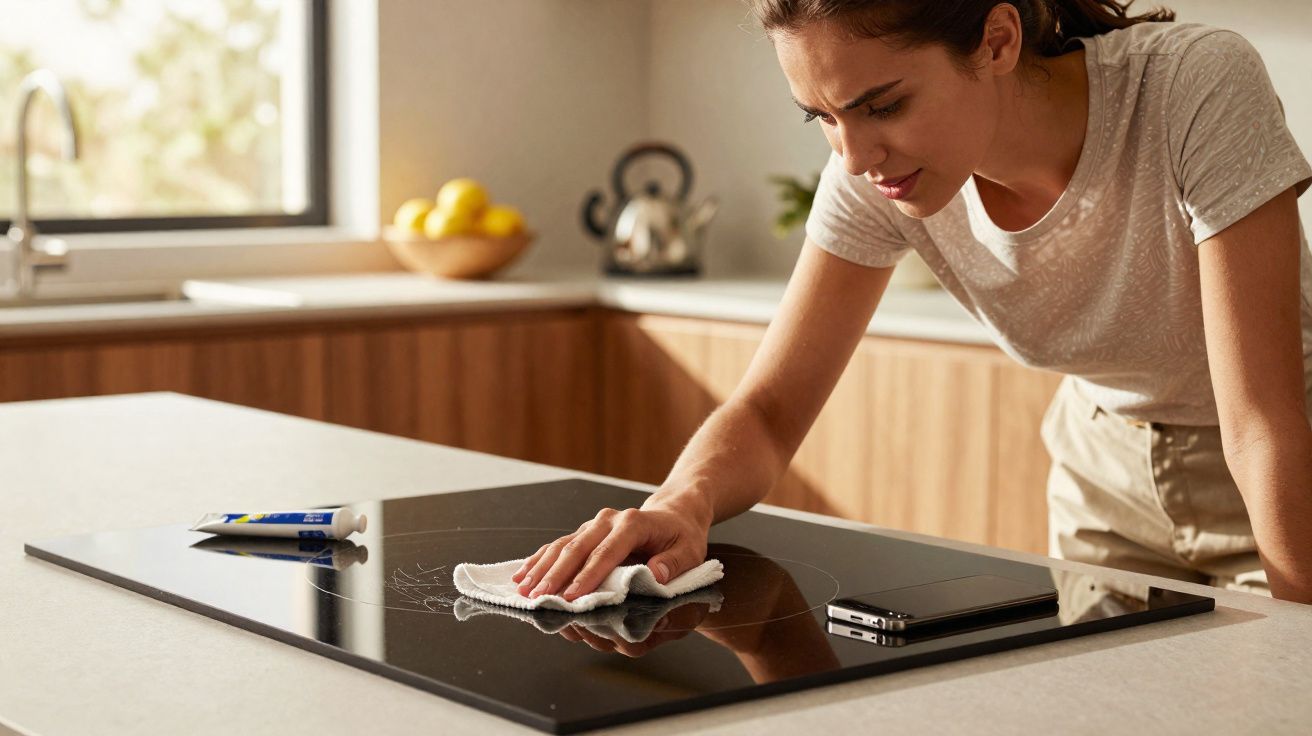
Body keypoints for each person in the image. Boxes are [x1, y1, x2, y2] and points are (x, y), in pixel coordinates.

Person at [513, 0, 1312, 603]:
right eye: (822, 117)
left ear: (997, 41)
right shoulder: (873, 180)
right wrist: (680, 505)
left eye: (883, 105)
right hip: (1101, 468)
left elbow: (1261, 422)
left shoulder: (1190, 85)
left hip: (1278, 472)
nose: (855, 155)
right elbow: (767, 410)